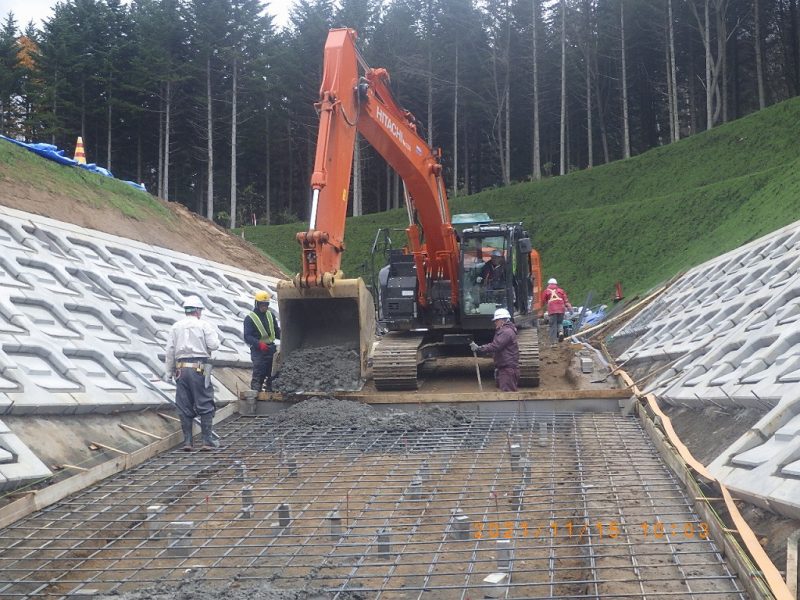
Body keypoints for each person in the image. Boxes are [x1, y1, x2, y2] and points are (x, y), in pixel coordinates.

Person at [163, 295, 221, 451]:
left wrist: (169, 372)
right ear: (197, 310)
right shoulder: (204, 325)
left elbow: (170, 351)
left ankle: (188, 442)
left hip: (181, 370)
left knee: (184, 405)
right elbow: (214, 345)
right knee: (205, 403)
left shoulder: (176, 327)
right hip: (199, 368)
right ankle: (206, 441)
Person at [469, 308, 520, 392]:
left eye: (496, 320)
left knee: (508, 396)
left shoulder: (506, 332)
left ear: (502, 320)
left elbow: (496, 346)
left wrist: (479, 348)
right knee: (507, 395)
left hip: (507, 369)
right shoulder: (506, 330)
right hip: (506, 368)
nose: (495, 322)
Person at [243, 289, 280, 392]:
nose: (264, 307)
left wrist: (286, 336)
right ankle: (256, 394)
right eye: (262, 304)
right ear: (257, 304)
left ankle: (270, 392)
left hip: (271, 349)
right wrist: (259, 344)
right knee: (259, 374)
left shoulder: (270, 315)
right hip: (259, 351)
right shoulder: (250, 318)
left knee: (273, 374)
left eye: (266, 304)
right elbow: (247, 336)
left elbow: (276, 332)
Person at [541, 278, 571, 344]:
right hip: (561, 309)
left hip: (552, 310)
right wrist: (569, 308)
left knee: (552, 325)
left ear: (549, 284)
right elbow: (566, 300)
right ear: (556, 284)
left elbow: (543, 301)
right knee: (559, 323)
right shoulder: (561, 291)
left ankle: (553, 342)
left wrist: (541, 309)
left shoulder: (546, 291)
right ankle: (560, 332)